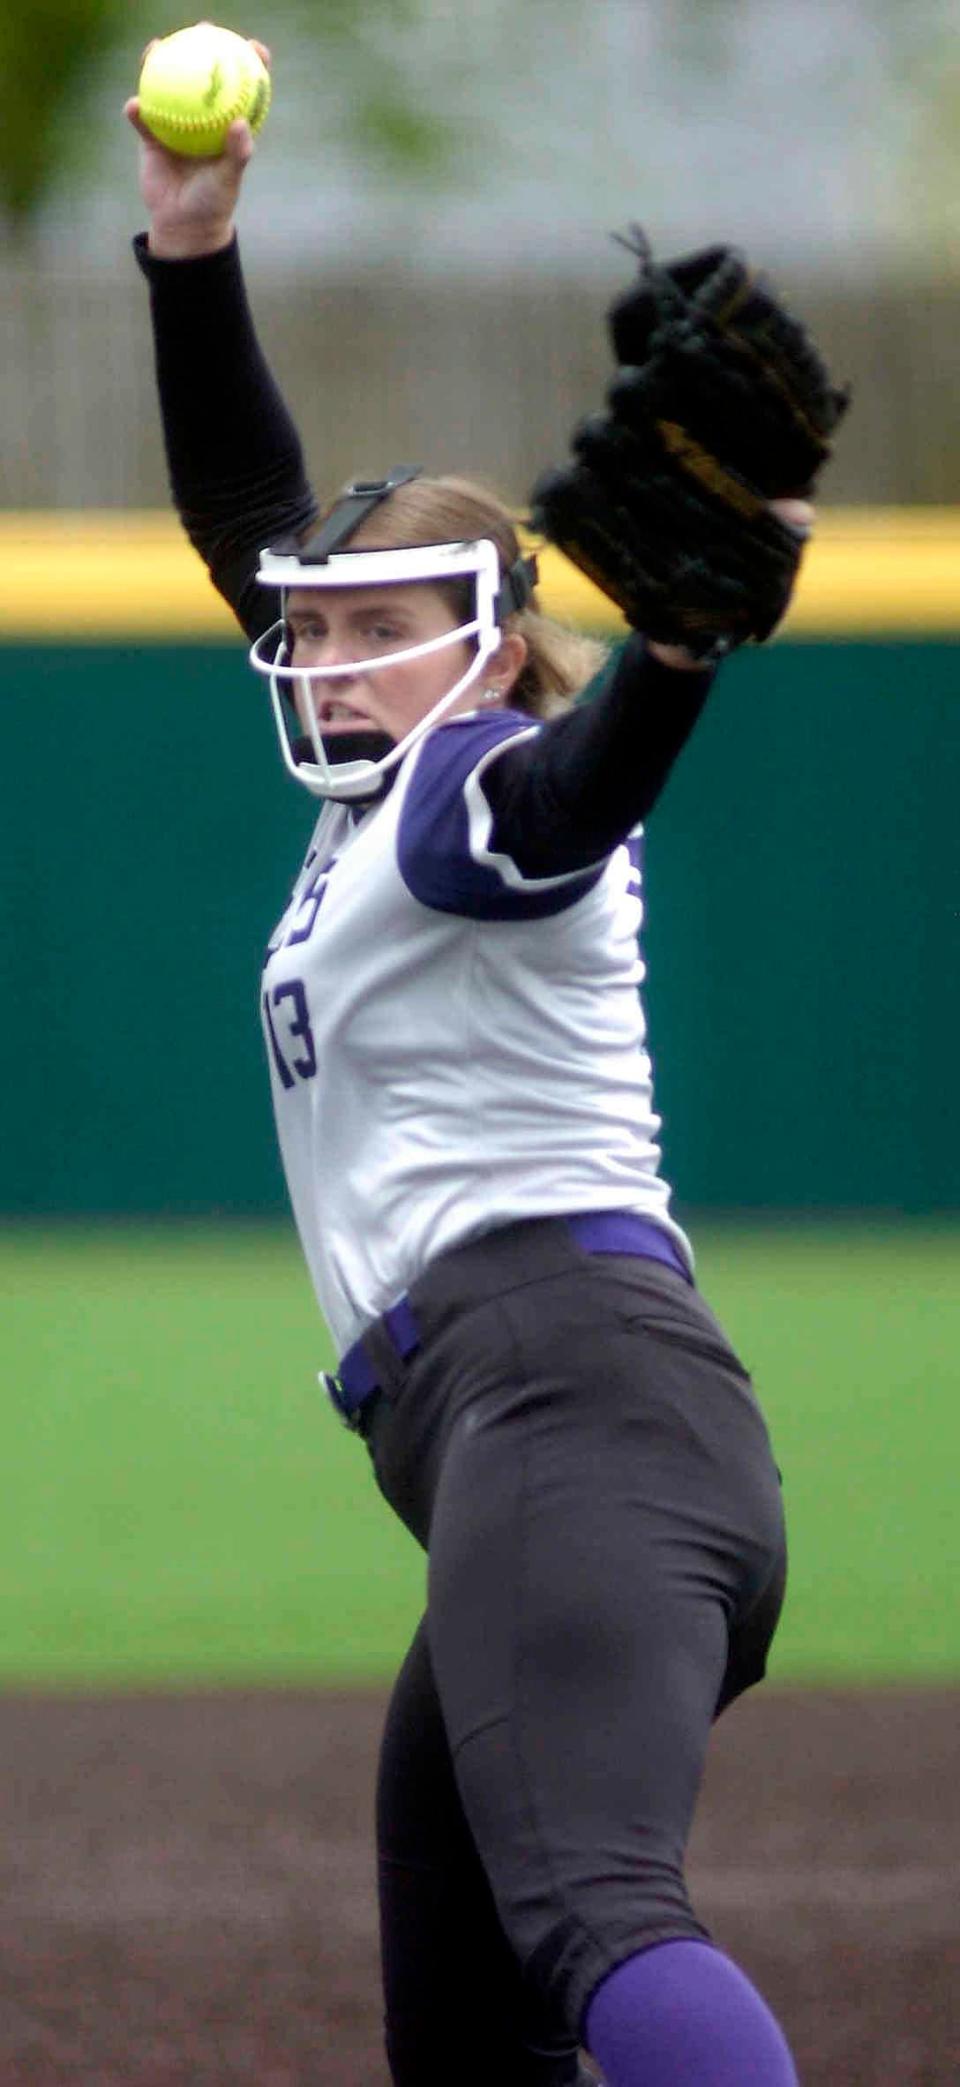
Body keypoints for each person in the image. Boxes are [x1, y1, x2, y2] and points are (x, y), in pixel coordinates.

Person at [127, 61, 808, 2087]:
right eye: (314, 633)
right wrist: (192, 249)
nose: (324, 659)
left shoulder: (471, 781)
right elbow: (252, 523)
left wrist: (676, 655)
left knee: (599, 1919)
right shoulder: (379, 790)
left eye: (378, 629)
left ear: (493, 647)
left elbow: (575, 800)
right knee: (462, 1979)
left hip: (567, 1399)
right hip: (544, 1433)